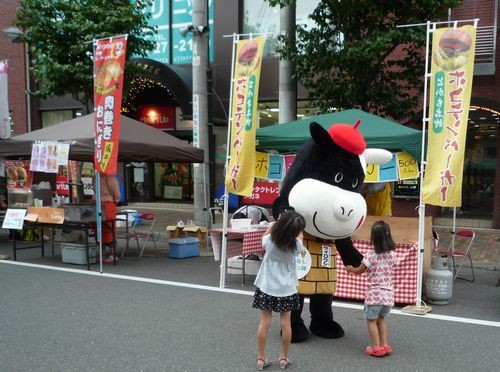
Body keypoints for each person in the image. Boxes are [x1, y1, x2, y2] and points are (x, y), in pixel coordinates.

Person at [252, 209, 306, 370]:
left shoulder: (269, 241)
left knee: (264, 322)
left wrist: (276, 223)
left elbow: (267, 234)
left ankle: (261, 359)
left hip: (266, 286)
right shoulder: (297, 245)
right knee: (285, 323)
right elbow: (300, 236)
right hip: (286, 289)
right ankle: (283, 358)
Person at [346, 220, 396, 357]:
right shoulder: (392, 255)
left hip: (375, 295)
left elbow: (359, 271)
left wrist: (350, 269)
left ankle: (376, 348)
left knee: (371, 320)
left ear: (373, 237)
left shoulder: (370, 255)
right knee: (382, 319)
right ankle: (385, 345)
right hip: (388, 294)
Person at [98, 173, 121, 263]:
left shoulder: (95, 177)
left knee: (100, 229)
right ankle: (112, 253)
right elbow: (117, 194)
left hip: (97, 204)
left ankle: (103, 252)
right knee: (110, 228)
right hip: (108, 204)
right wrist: (116, 201)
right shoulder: (111, 179)